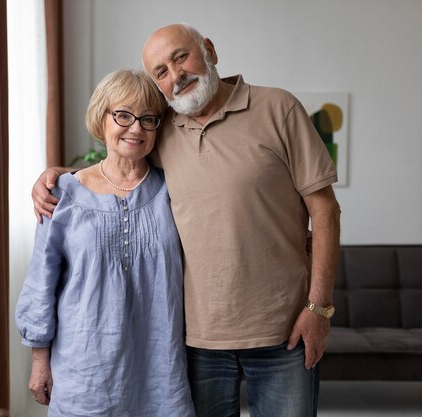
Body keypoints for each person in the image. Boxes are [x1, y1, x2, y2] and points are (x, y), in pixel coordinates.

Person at [32, 23, 341, 417]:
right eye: (161, 71)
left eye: (181, 57)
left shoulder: (279, 108)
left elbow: (326, 210)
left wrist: (319, 309)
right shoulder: (161, 130)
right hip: (196, 342)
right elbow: (119, 158)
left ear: (208, 50)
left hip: (285, 332)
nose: (176, 75)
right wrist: (58, 175)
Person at [16, 69, 196, 417]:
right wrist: (40, 362)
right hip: (84, 372)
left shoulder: (174, 189)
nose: (136, 128)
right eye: (123, 115)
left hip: (160, 369)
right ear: (102, 118)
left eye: (148, 119)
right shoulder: (61, 195)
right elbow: (41, 283)